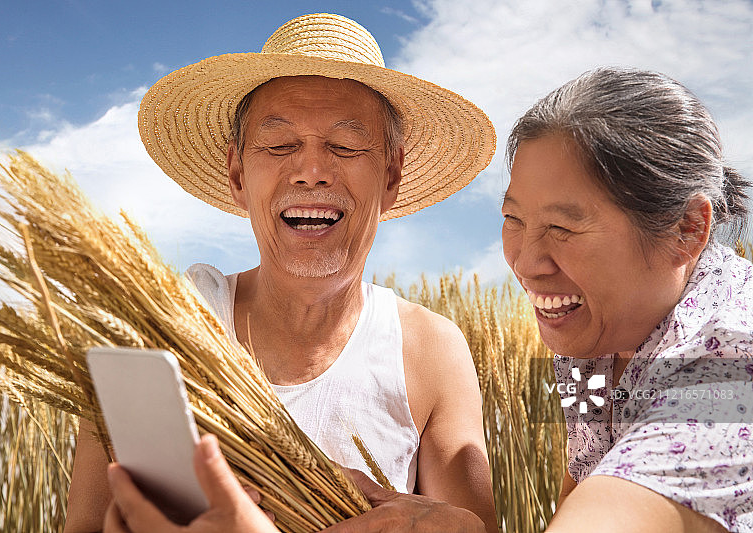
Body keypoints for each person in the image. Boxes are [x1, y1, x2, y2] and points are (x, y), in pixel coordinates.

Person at [105, 67, 752, 532]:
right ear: (236, 169)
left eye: (564, 226)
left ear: (688, 230)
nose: (526, 262)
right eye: (514, 219)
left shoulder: (726, 376)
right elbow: (583, 476)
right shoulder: (589, 336)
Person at [64, 12, 499, 533]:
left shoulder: (431, 350)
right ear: (237, 174)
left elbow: (474, 527)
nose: (312, 170)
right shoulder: (153, 339)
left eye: (345, 145)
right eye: (278, 145)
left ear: (391, 174)